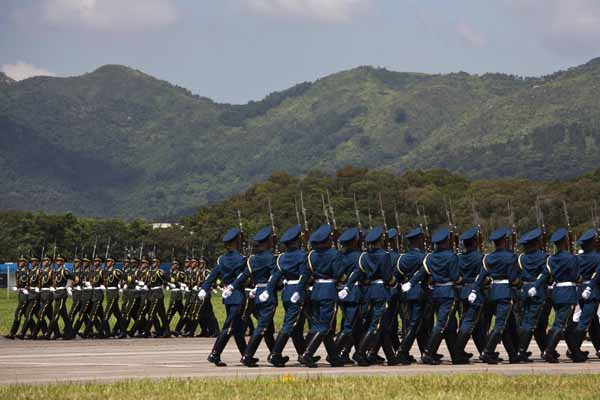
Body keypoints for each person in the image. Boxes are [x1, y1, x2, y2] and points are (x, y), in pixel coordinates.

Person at [402, 228, 462, 365]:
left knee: (450, 325)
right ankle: (428, 352)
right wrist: (460, 280)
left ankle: (456, 355)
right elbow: (454, 277)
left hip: (435, 293)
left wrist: (410, 283)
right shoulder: (451, 256)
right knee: (441, 324)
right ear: (446, 242)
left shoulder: (430, 257)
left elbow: (421, 273)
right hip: (448, 293)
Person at [341, 226, 400, 366]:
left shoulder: (365, 256)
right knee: (376, 324)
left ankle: (391, 357)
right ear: (380, 241)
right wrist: (394, 283)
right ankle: (360, 352)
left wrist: (348, 286)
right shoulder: (384, 255)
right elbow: (387, 276)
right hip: (381, 291)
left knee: (381, 325)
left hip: (369, 291)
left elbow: (358, 273)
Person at [529, 228, 582, 363]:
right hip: (568, 293)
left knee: (564, 323)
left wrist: (535, 286)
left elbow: (545, 275)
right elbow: (576, 277)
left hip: (556, 293)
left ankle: (575, 353)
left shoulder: (551, 259)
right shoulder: (571, 258)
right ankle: (548, 351)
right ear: (565, 241)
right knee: (560, 324)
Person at [470, 227, 520, 364]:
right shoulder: (511, 257)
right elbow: (512, 278)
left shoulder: (489, 258)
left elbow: (481, 277)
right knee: (500, 325)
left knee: (507, 325)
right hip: (505, 292)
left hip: (492, 293)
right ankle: (487, 351)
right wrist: (519, 284)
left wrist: (474, 290)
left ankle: (513, 354)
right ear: (504, 241)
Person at [201, 228, 248, 367]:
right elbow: (244, 275)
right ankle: (215, 353)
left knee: (238, 329)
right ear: (236, 242)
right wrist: (233, 286)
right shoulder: (241, 259)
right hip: (237, 295)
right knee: (229, 327)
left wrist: (204, 287)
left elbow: (213, 274)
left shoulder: (222, 259)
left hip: (227, 297)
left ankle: (246, 355)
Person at [230, 226, 277, 367]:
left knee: (268, 328)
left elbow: (244, 275)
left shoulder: (252, 259)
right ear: (268, 242)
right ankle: (248, 355)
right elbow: (275, 276)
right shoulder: (271, 258)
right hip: (267, 294)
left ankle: (275, 354)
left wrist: (232, 286)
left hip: (256, 294)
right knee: (263, 326)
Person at [300, 224, 345, 368]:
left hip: (316, 290)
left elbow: (306, 274)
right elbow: (338, 274)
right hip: (329, 290)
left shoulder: (311, 255)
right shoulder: (334, 254)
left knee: (319, 324)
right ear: (327, 240)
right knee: (325, 325)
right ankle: (307, 354)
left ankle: (334, 356)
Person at [265, 225, 309, 367]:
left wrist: (268, 289)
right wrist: (299, 291)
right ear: (296, 241)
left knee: (297, 326)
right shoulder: (302, 255)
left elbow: (276, 276)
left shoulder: (282, 258)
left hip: (286, 292)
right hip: (297, 291)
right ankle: (275, 354)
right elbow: (304, 275)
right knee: (290, 325)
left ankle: (303, 354)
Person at [515, 228, 549, 362]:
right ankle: (521, 351)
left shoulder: (521, 258)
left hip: (524, 290)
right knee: (531, 322)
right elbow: (546, 274)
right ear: (537, 243)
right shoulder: (543, 257)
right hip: (538, 291)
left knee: (532, 322)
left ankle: (546, 349)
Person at [395, 227, 427, 364]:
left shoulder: (404, 258)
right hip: (420, 291)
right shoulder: (424, 257)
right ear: (419, 240)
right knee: (415, 324)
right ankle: (402, 351)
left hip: (407, 292)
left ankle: (425, 351)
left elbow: (398, 275)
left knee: (415, 323)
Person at [454, 227, 486, 362]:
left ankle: (484, 351)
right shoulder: (479, 257)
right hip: (475, 291)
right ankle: (458, 351)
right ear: (474, 242)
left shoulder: (459, 258)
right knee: (469, 322)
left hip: (463, 291)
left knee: (476, 323)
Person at [568, 228, 600, 362]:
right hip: (592, 292)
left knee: (593, 322)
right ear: (593, 242)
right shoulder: (597, 257)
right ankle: (574, 351)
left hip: (580, 290)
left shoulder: (577, 258)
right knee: (585, 322)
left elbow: (574, 275)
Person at [334, 227, 364, 365]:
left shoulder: (339, 256)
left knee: (354, 325)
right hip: (354, 292)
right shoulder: (359, 256)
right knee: (349, 325)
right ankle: (334, 352)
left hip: (342, 292)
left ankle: (348, 353)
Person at [47, 255, 74, 340]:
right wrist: (53, 287)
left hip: (62, 293)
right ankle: (70, 333)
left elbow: (75, 278)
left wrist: (68, 287)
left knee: (55, 314)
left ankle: (48, 334)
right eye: (57, 260)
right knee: (64, 315)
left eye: (59, 260)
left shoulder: (64, 271)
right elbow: (55, 282)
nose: (57, 262)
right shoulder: (55, 271)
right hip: (57, 293)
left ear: (63, 262)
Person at [5, 256, 30, 339]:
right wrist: (16, 287)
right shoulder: (18, 271)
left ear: (25, 263)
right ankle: (33, 332)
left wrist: (28, 289)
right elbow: (19, 283)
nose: (20, 262)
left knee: (18, 313)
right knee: (27, 314)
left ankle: (12, 333)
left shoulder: (28, 272)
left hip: (26, 295)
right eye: (19, 261)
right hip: (21, 294)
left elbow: (33, 283)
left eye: (22, 261)